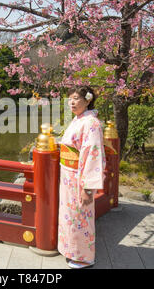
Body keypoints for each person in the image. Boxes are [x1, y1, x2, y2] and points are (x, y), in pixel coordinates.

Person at [58, 86, 106, 269]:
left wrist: (88, 187)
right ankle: (72, 251)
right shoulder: (79, 120)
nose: (72, 102)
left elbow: (93, 154)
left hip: (79, 177)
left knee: (81, 215)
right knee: (71, 215)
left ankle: (85, 257)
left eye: (76, 98)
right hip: (69, 175)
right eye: (70, 98)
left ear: (87, 100)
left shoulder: (91, 123)